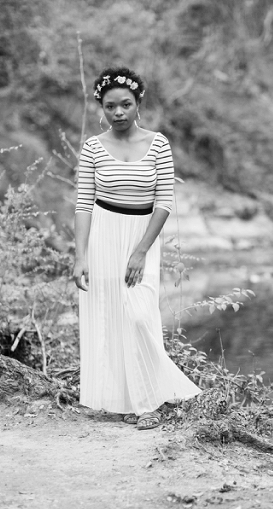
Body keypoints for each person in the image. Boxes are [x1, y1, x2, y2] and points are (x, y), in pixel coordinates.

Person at [72, 66, 201, 430]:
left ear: (138, 104)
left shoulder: (158, 144)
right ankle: (129, 401)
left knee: (140, 316)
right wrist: (80, 256)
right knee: (112, 318)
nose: (118, 112)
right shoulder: (93, 148)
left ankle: (150, 402)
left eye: (125, 105)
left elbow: (164, 202)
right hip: (103, 236)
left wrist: (142, 250)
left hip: (142, 237)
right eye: (110, 106)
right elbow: (83, 204)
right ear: (101, 107)